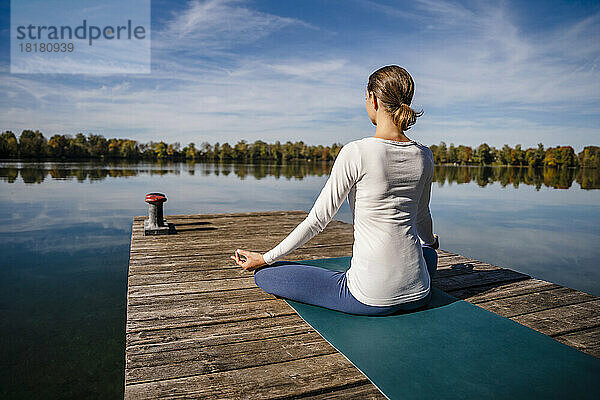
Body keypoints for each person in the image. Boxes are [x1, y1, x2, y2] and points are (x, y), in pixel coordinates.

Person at [230, 65, 439, 316]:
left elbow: (317, 221)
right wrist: (430, 242)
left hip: (369, 297)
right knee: (428, 253)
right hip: (420, 293)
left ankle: (270, 267)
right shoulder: (424, 155)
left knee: (266, 276)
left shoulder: (357, 152)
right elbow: (422, 216)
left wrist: (264, 258)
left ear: (373, 99)